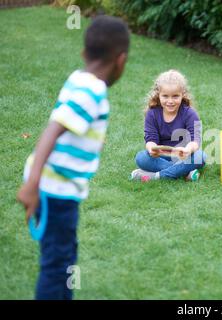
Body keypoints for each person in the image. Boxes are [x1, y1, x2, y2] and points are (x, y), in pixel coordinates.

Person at [16, 16, 130, 300]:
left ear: (84, 53)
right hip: (56, 190)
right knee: (57, 266)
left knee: (64, 257)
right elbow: (53, 129)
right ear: (121, 61)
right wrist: (32, 185)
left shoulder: (79, 79)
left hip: (54, 186)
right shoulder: (93, 91)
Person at [131, 70, 206, 182]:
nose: (170, 101)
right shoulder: (152, 113)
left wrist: (188, 149)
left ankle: (155, 176)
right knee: (141, 158)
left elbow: (196, 140)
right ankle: (184, 172)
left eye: (175, 96)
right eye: (165, 96)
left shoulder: (190, 113)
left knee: (201, 156)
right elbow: (150, 139)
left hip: (183, 156)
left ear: (182, 95)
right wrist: (151, 148)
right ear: (158, 95)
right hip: (161, 156)